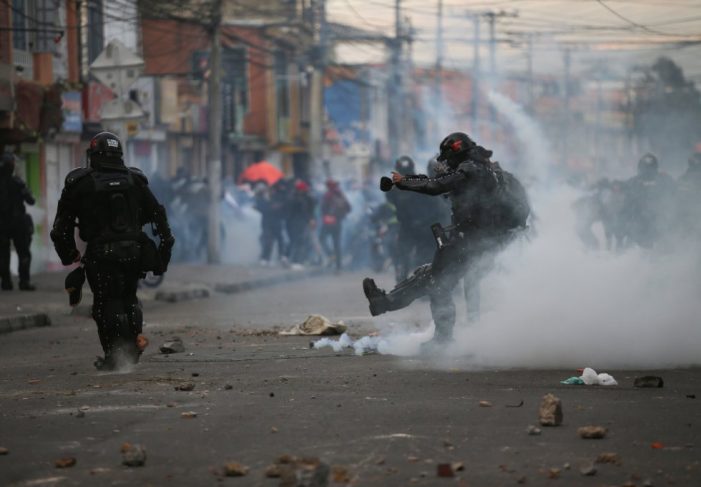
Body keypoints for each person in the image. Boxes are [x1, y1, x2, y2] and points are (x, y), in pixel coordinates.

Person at [363, 132, 530, 348]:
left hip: (475, 241)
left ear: (457, 153)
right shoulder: (495, 173)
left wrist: (403, 182)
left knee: (439, 282)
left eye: (448, 160)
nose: (447, 166)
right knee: (437, 278)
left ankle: (442, 338)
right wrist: (404, 182)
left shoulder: (470, 169)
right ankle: (388, 303)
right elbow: (434, 181)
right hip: (488, 241)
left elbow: (435, 186)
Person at [50, 132, 175, 370]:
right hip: (134, 252)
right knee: (129, 297)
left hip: (101, 255)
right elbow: (158, 214)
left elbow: (60, 228)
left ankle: (115, 356)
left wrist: (70, 254)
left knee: (105, 303)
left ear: (93, 155)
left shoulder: (79, 183)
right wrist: (164, 245)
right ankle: (133, 343)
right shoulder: (135, 180)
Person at [621, 153, 676, 249]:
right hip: (651, 222)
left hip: (645, 222)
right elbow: (674, 197)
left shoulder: (632, 182)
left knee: (632, 251)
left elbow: (625, 204)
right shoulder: (665, 180)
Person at [0, 153, 36, 291]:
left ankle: (6, 282)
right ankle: (24, 282)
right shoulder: (17, 182)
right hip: (18, 224)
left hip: (2, 224)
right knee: (24, 253)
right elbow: (31, 200)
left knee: (3, 254)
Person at [319, 179, 352, 271]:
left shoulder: (327, 195)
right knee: (336, 243)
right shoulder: (341, 194)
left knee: (321, 238)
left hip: (329, 222)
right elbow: (349, 208)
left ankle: (331, 255)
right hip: (338, 222)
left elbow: (322, 208)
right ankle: (338, 265)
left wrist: (327, 215)